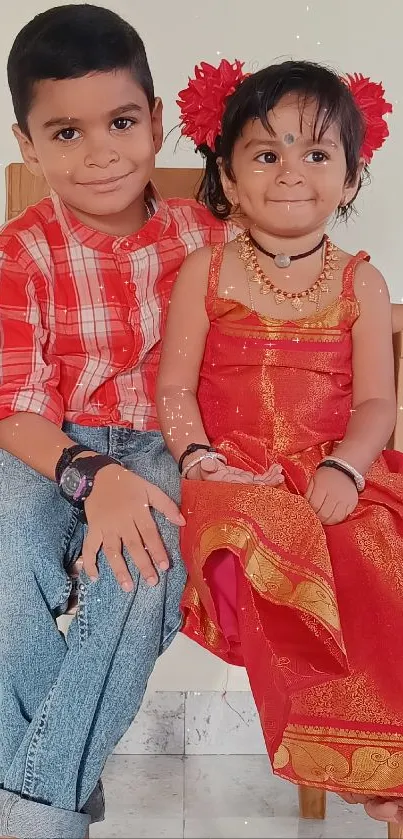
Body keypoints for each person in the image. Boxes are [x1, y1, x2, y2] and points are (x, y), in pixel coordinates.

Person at [0, 6, 239, 838]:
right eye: (65, 132)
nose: (100, 152)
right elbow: (14, 404)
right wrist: (90, 476)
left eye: (121, 122)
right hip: (50, 446)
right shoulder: (19, 249)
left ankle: (36, 810)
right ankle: (57, 784)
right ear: (28, 145)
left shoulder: (209, 238)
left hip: (167, 443)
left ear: (158, 123)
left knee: (142, 567)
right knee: (3, 556)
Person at [157, 58, 403, 824]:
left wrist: (347, 466)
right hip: (231, 476)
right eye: (266, 153)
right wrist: (198, 456)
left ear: (351, 179)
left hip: (331, 466)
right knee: (275, 531)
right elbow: (172, 389)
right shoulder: (204, 271)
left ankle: (386, 772)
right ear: (228, 179)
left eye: (317, 153)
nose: (291, 171)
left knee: (373, 548)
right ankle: (337, 747)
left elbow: (374, 402)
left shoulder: (362, 282)